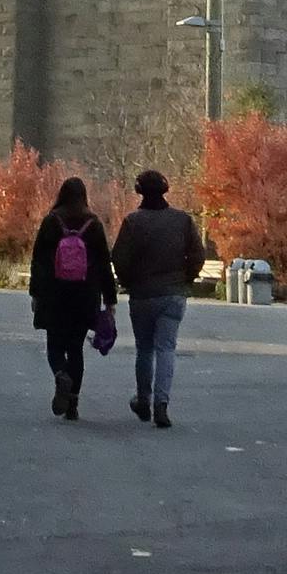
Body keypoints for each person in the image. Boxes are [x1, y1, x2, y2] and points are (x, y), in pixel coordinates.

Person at [111, 168, 204, 427]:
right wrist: (186, 279)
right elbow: (197, 254)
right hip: (173, 293)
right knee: (166, 349)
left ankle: (143, 399)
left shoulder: (132, 222)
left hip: (142, 295)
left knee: (144, 349)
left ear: (139, 192)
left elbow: (119, 258)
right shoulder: (182, 221)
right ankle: (161, 403)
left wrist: (129, 282)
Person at [25, 176, 116, 420]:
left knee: (55, 345)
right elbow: (104, 265)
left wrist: (35, 293)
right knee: (75, 348)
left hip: (54, 294)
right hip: (85, 296)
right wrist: (110, 299)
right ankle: (73, 403)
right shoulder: (94, 224)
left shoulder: (51, 222)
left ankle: (60, 375)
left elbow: (39, 262)